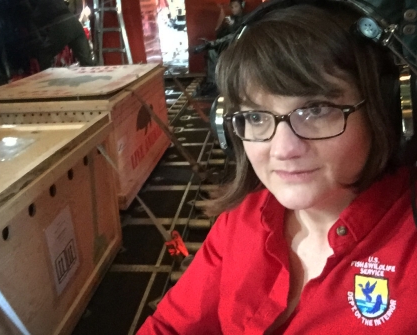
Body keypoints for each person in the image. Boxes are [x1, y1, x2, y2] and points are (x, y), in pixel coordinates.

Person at [138, 1, 417, 334]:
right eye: (255, 117)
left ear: (384, 112)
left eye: (316, 109)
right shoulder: (242, 219)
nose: (283, 149)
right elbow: (170, 326)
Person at [200, 0, 245, 96]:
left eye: (236, 6)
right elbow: (220, 35)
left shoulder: (245, 19)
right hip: (225, 44)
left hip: (237, 46)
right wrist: (221, 24)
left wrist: (233, 26)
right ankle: (212, 82)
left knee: (214, 47)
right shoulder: (230, 18)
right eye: (232, 7)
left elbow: (236, 35)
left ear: (241, 6)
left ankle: (211, 44)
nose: (233, 9)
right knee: (211, 51)